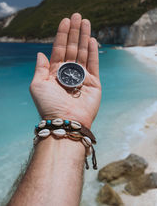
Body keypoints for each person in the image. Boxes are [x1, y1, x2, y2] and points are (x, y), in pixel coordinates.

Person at [7, 13, 102, 206]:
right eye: (66, 74)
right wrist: (68, 121)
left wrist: (63, 122)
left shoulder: (70, 74)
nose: (69, 75)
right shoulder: (70, 78)